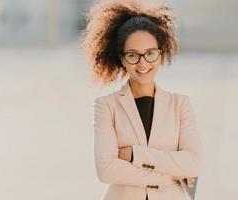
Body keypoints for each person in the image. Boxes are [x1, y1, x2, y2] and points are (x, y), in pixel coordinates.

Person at [80, 0, 204, 199]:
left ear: (161, 55)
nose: (142, 62)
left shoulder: (180, 104)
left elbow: (194, 162)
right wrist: (168, 176)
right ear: (122, 59)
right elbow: (106, 169)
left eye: (150, 53)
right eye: (133, 55)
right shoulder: (105, 106)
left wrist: (134, 155)